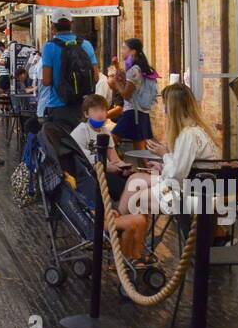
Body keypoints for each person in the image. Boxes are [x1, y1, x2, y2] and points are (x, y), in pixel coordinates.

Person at [120, 82, 219, 217]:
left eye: (165, 105)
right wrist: (163, 165)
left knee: (137, 198)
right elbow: (183, 166)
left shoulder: (188, 135)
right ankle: (121, 227)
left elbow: (175, 175)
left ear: (172, 108)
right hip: (195, 188)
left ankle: (120, 228)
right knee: (135, 180)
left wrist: (164, 155)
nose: (164, 110)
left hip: (188, 195)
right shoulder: (198, 130)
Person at [68, 94, 147, 259]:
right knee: (129, 187)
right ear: (87, 113)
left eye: (103, 110)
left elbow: (115, 159)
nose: (101, 114)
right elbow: (83, 161)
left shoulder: (105, 131)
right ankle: (119, 220)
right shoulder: (80, 132)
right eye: (96, 110)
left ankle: (128, 232)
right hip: (92, 176)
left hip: (107, 172)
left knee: (136, 186)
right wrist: (110, 167)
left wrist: (122, 167)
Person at [39, 17, 99, 130]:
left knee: (62, 144)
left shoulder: (49, 47)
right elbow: (96, 77)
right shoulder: (86, 44)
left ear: (53, 25)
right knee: (81, 143)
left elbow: (46, 81)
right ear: (71, 24)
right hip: (83, 105)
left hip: (58, 105)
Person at [108, 38, 159, 151]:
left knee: (109, 142)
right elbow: (133, 88)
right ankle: (147, 167)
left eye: (124, 48)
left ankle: (102, 163)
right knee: (140, 150)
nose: (121, 51)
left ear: (133, 52)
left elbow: (126, 94)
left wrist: (116, 83)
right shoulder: (142, 69)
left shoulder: (134, 70)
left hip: (132, 112)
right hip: (142, 112)